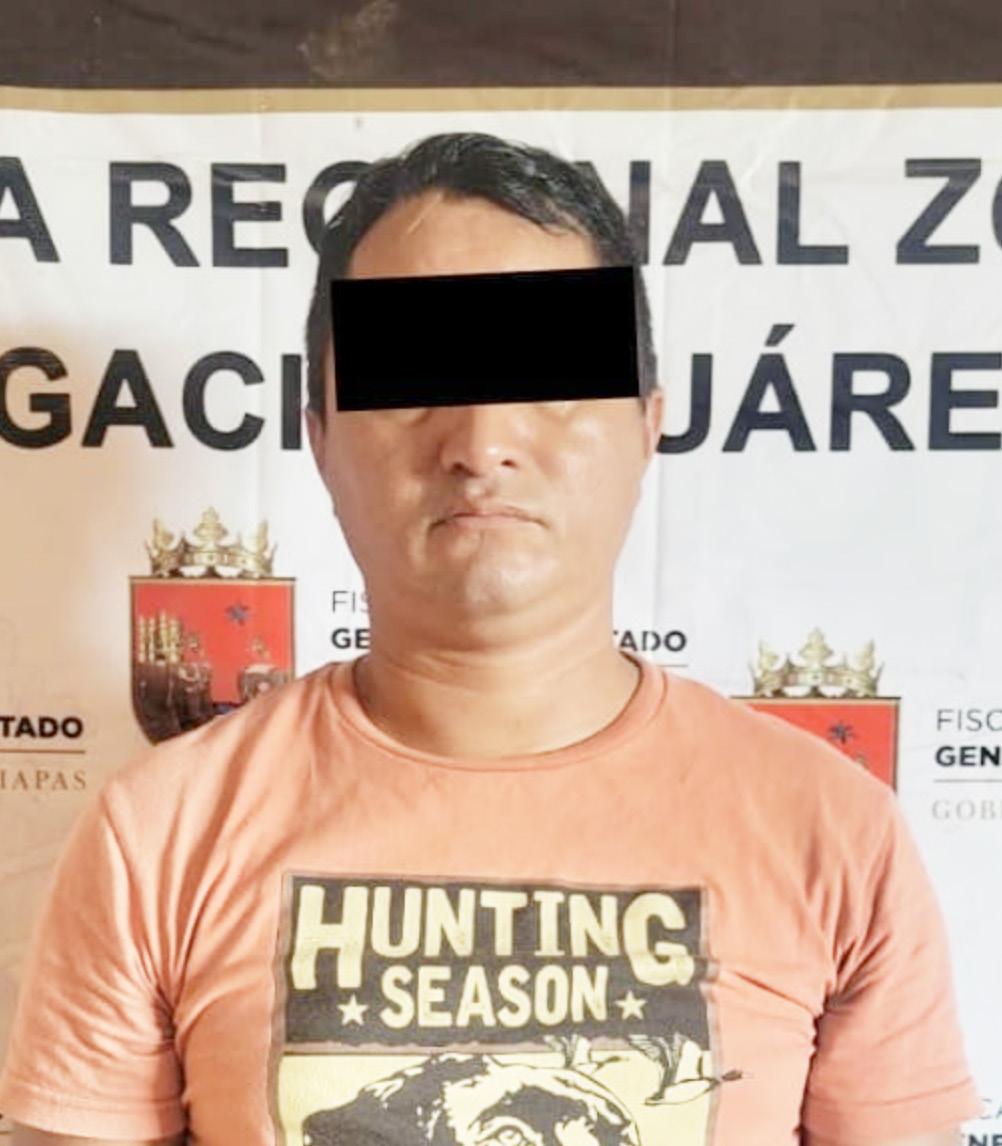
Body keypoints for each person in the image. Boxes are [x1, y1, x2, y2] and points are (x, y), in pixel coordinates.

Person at [0, 133, 979, 1146]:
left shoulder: (832, 833)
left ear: (646, 425)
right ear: (321, 439)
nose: (480, 444)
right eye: (413, 377)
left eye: (547, 375)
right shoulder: (159, 836)